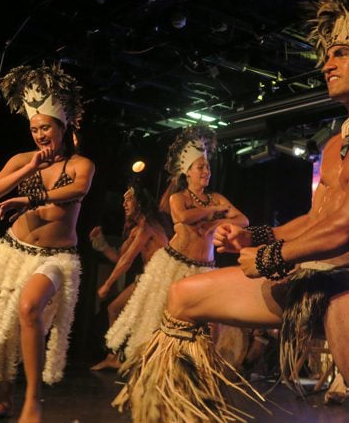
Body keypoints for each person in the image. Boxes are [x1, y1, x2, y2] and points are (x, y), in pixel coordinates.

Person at [113, 0, 349, 423]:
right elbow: (317, 219)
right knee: (183, 297)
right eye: (325, 55)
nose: (327, 63)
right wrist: (253, 237)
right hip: (306, 275)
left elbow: (347, 229)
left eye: (341, 53)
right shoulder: (337, 140)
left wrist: (269, 258)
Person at [0, 63, 93, 422]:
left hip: (56, 258)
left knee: (29, 308)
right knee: (6, 326)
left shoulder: (81, 164)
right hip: (13, 252)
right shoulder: (24, 159)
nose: (40, 134)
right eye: (34, 128)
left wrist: (28, 200)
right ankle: (7, 400)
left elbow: (77, 190)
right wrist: (30, 168)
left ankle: (34, 402)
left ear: (63, 125)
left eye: (45, 127)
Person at [106, 126, 249, 364]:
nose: (206, 171)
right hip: (175, 264)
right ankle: (155, 364)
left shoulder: (217, 197)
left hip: (206, 267)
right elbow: (182, 217)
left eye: (208, 166)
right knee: (161, 316)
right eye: (200, 167)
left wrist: (216, 223)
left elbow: (243, 219)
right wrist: (213, 211)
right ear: (188, 172)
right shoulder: (178, 198)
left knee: (211, 322)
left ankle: (204, 366)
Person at [90, 185, 168, 371]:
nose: (124, 204)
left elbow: (126, 260)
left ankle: (152, 362)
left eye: (129, 199)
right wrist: (101, 244)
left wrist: (107, 285)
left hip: (159, 279)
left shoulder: (148, 226)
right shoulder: (138, 230)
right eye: (123, 200)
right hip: (147, 279)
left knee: (138, 318)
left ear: (140, 202)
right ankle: (115, 356)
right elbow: (119, 258)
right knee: (114, 309)